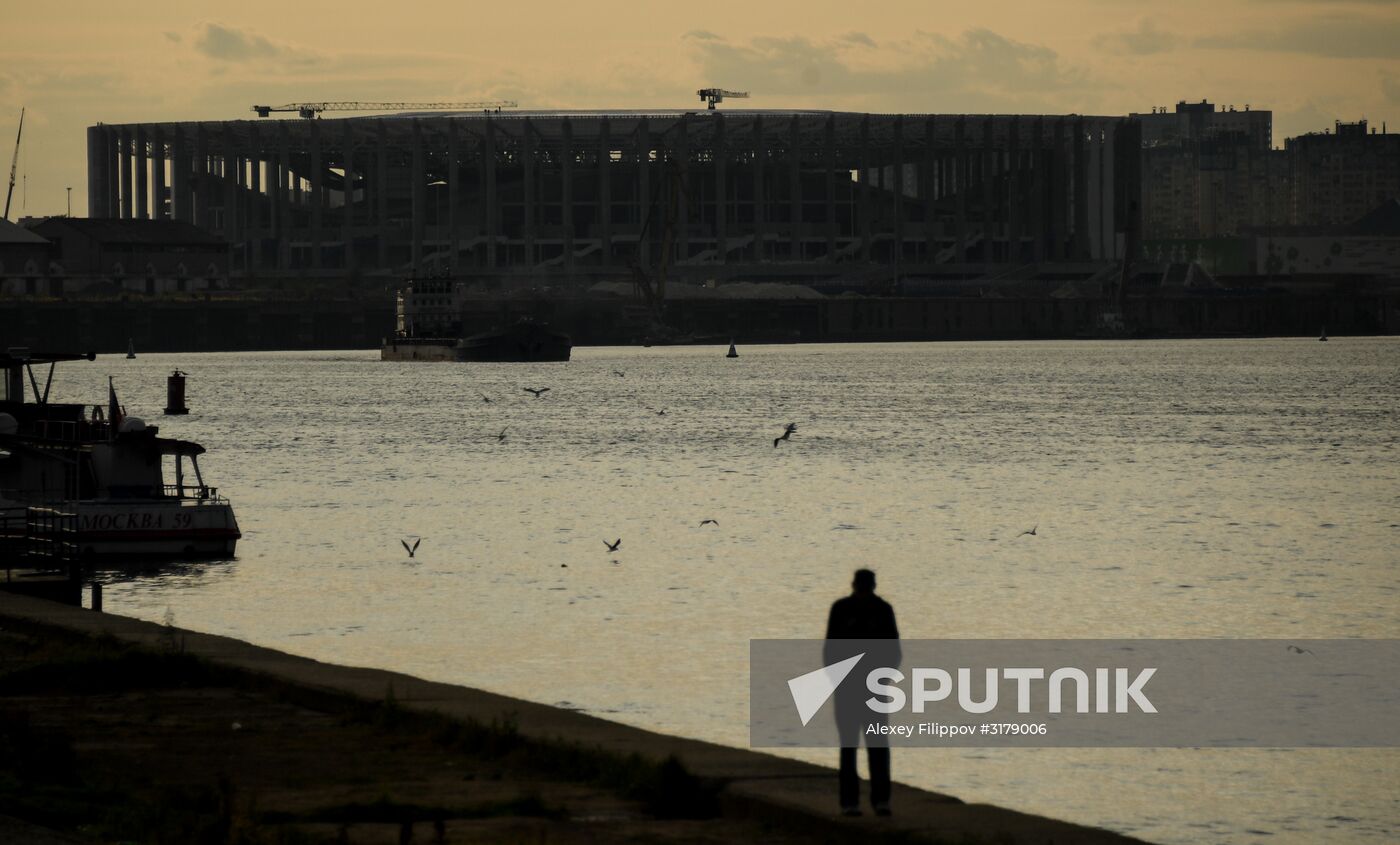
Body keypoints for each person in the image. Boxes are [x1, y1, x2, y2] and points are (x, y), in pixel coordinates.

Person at [824, 568, 900, 817]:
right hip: (854, 688)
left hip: (870, 689)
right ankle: (864, 802)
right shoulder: (849, 609)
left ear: (855, 584)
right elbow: (831, 651)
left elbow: (893, 653)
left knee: (868, 746)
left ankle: (866, 802)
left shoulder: (874, 610)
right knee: (863, 746)